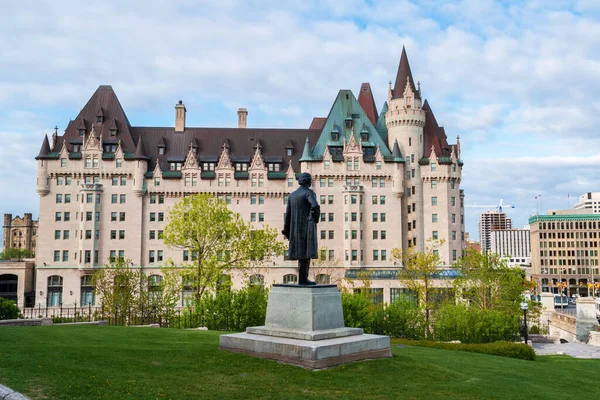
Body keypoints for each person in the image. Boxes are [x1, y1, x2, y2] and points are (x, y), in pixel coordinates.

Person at [282, 172, 320, 285]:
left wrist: (287, 230)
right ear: (308, 181)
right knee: (306, 254)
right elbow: (315, 206)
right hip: (306, 228)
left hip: (295, 230)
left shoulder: (292, 195)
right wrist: (314, 218)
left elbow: (287, 215)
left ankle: (303, 278)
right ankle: (303, 279)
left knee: (301, 255)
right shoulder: (309, 193)